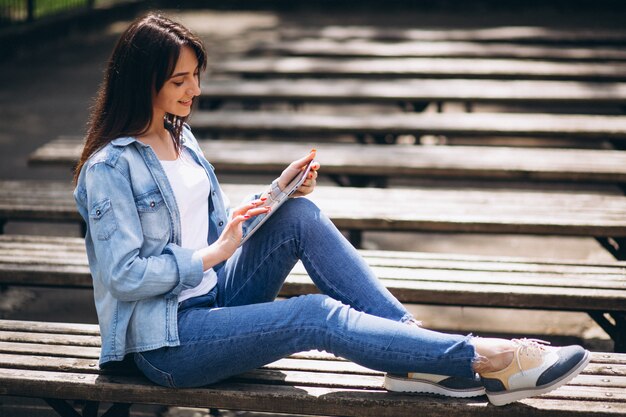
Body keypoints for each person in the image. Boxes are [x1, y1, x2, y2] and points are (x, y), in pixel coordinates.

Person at [73, 13, 590, 407]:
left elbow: (209, 232)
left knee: (299, 217)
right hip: (169, 344)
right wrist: (212, 255)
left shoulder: (180, 139)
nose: (196, 90)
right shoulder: (109, 168)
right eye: (180, 80)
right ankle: (480, 358)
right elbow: (124, 276)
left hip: (215, 301)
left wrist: (275, 195)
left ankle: (412, 357)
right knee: (314, 313)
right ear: (144, 81)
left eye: (195, 75)